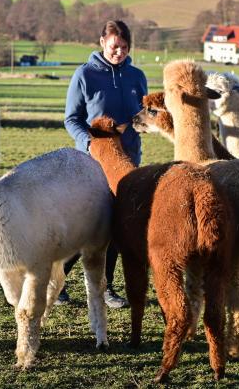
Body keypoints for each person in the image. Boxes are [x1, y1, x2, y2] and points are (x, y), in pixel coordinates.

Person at [62, 20, 148, 308]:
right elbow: (72, 118)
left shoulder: (137, 76)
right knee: (88, 226)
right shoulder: (85, 75)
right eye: (114, 47)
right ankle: (58, 280)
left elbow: (141, 116)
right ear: (102, 42)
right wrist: (90, 143)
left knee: (116, 228)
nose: (119, 52)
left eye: (124, 48)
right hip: (94, 164)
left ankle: (107, 288)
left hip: (128, 164)